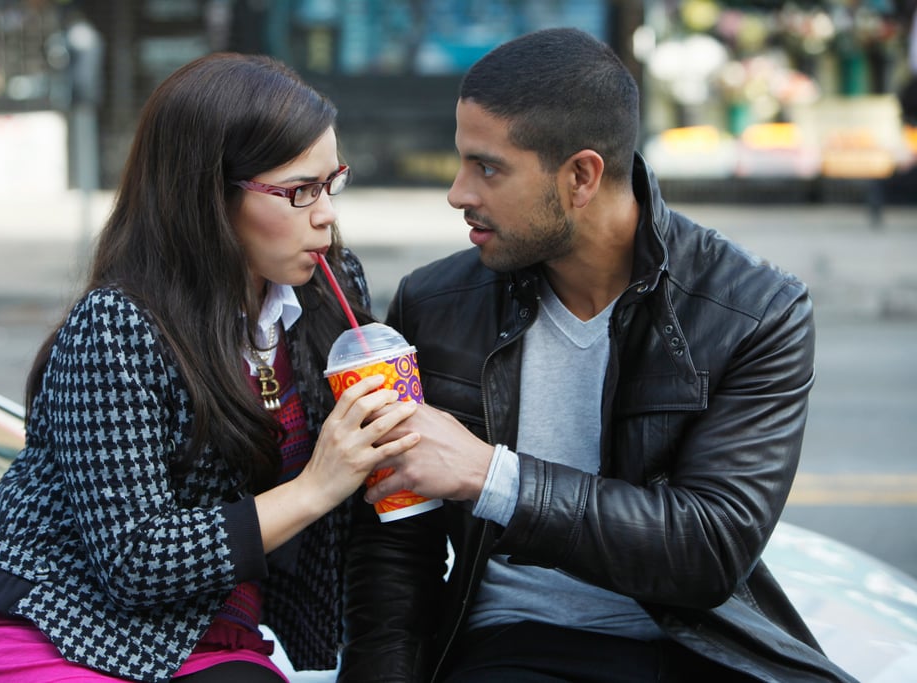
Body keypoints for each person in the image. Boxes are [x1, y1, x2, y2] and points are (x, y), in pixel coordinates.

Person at [340, 28, 858, 683]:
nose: (457, 191)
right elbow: (394, 552)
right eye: (461, 161)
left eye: (488, 167)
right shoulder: (436, 302)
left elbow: (709, 548)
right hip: (517, 647)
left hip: (697, 647)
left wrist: (491, 476)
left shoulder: (754, 312)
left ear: (581, 175)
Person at [0, 53, 419, 683]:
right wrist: (316, 486)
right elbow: (135, 559)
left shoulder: (330, 289)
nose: (325, 213)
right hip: (57, 627)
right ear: (209, 193)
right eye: (299, 191)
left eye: (334, 182)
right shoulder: (117, 325)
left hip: (220, 638)